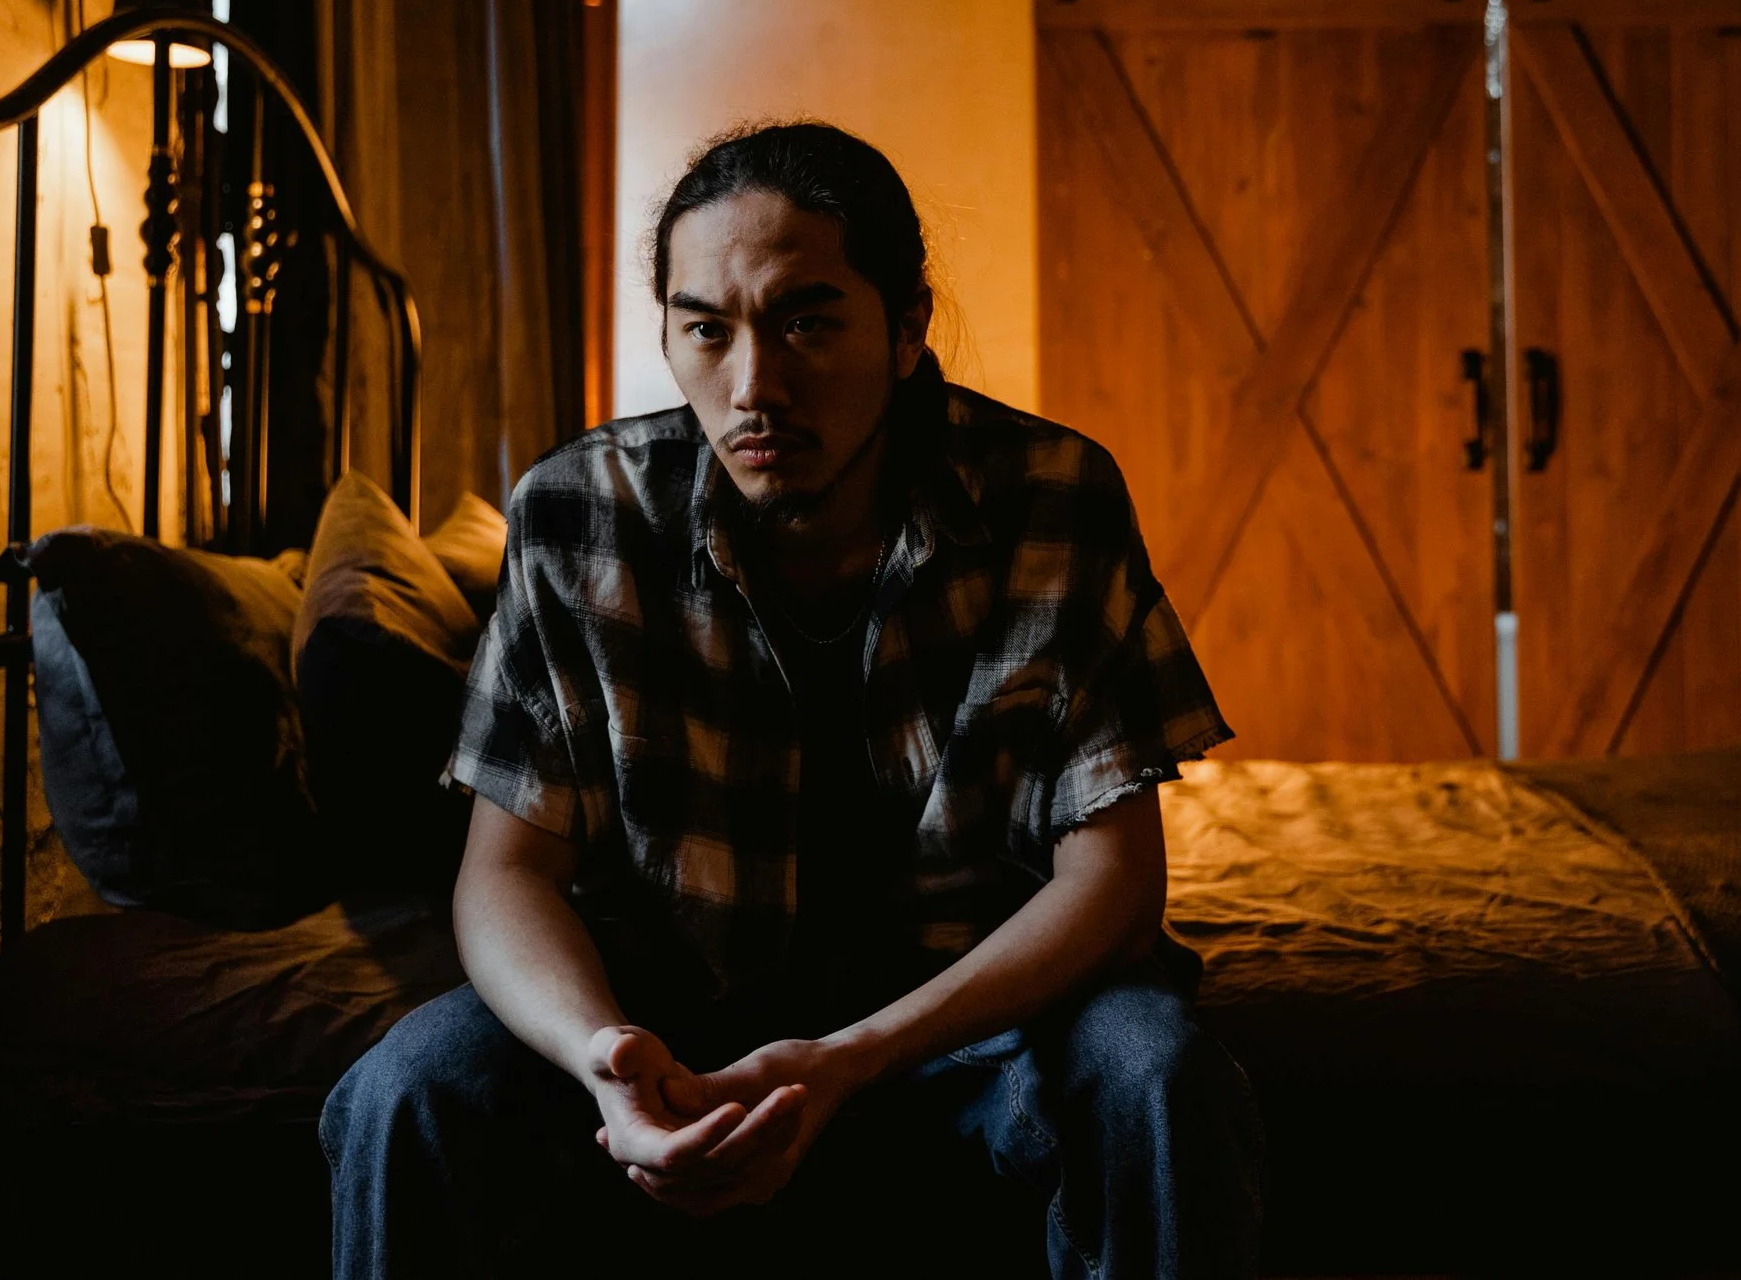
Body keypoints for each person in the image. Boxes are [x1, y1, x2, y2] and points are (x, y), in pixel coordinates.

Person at [322, 121, 1263, 1278]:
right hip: (667, 1008)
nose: (754, 385)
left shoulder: (1048, 496)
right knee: (408, 1088)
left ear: (908, 326)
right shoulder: (579, 511)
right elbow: (506, 868)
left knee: (1154, 1072)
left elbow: (1114, 880)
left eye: (808, 320)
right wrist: (605, 1055)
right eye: (705, 329)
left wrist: (853, 1056)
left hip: (975, 1019)